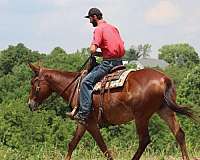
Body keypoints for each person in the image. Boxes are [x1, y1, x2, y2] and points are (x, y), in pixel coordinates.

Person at [67, 8, 125, 125]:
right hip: (119, 62)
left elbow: (93, 48)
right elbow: (114, 48)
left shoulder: (99, 29)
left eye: (90, 19)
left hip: (108, 64)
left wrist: (92, 50)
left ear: (94, 17)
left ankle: (83, 114)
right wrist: (100, 53)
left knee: (86, 82)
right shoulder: (113, 28)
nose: (89, 22)